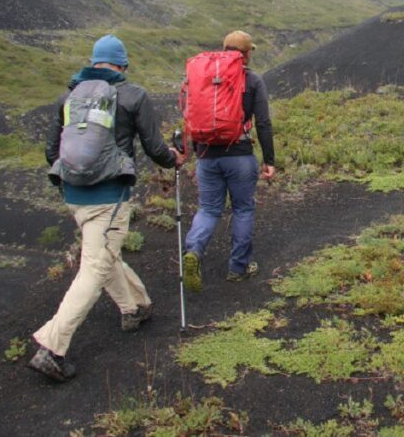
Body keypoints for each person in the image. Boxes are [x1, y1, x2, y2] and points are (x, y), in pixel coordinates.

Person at [29, 35, 183, 382]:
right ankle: (52, 347)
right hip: (110, 197)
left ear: (93, 62)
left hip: (74, 195)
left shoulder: (68, 97)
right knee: (95, 268)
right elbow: (155, 147)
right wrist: (174, 159)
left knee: (102, 252)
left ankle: (136, 307)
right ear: (123, 65)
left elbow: (51, 153)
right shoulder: (132, 95)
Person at [182, 30, 275, 292]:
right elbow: (263, 123)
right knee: (243, 209)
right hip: (240, 155)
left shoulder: (203, 78)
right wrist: (269, 160)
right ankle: (238, 268)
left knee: (209, 209)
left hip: (207, 156)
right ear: (245, 55)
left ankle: (194, 251)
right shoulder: (252, 80)